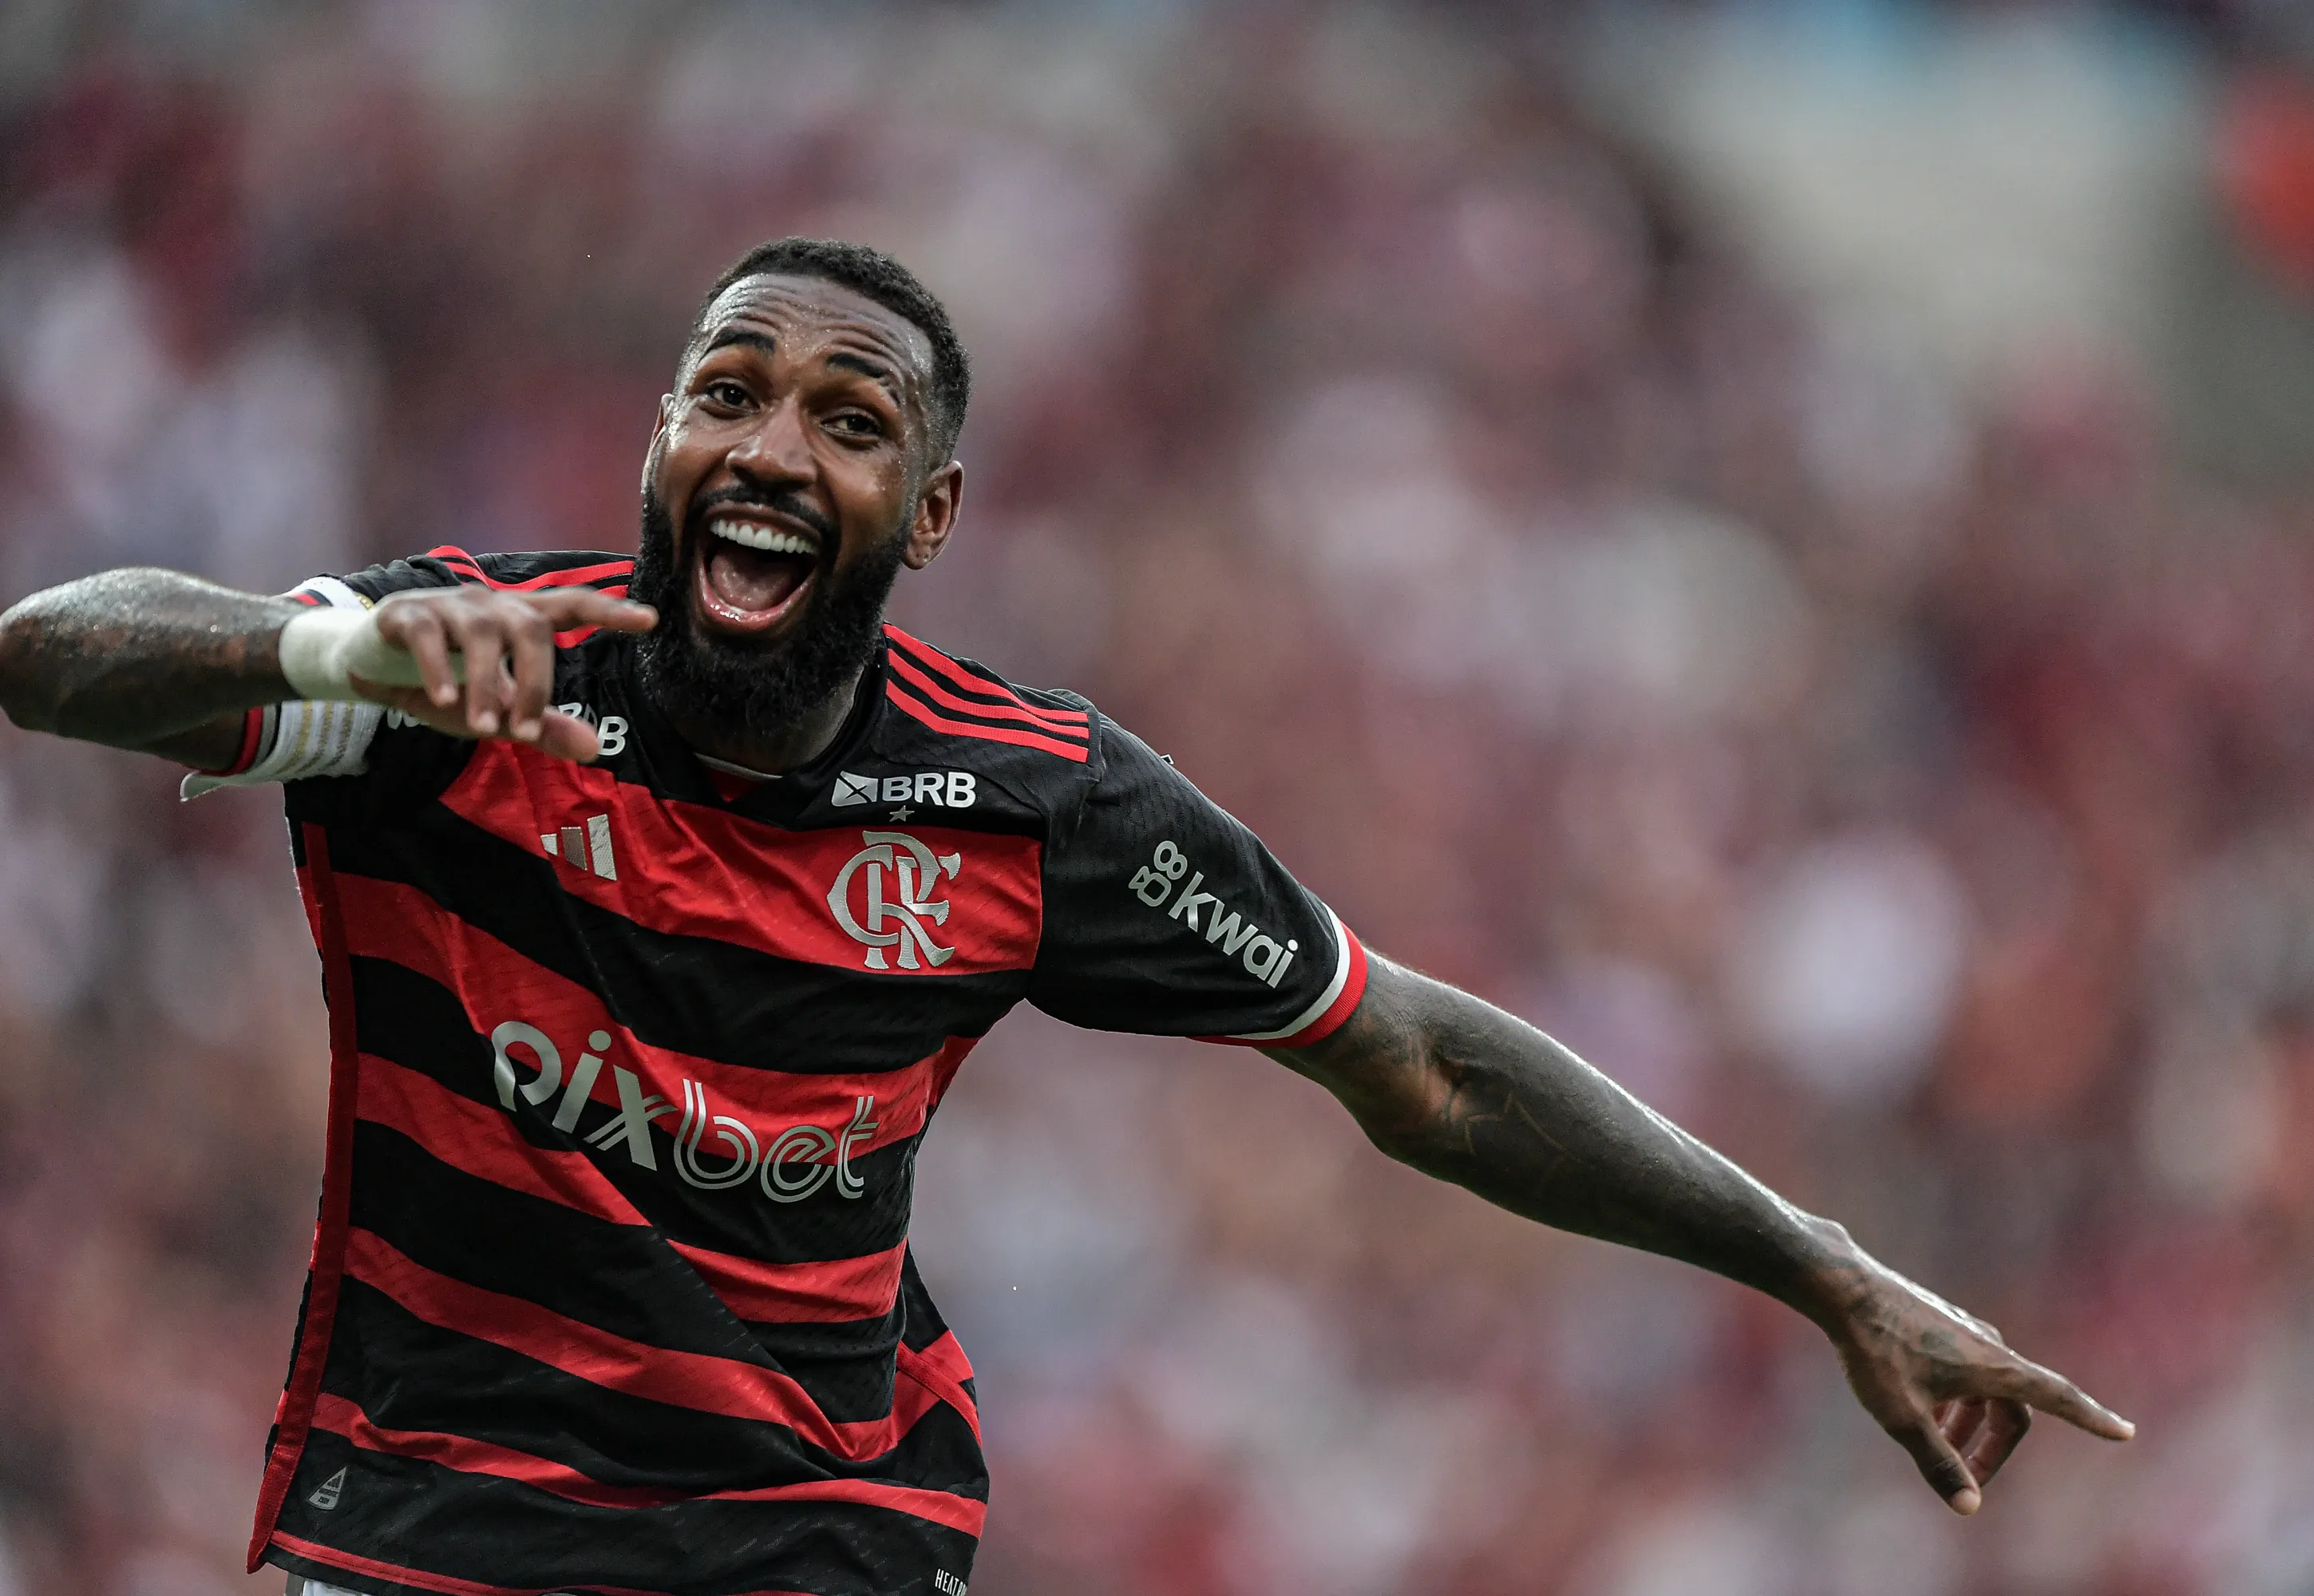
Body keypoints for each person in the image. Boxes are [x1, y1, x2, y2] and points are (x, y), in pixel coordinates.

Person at [0, 237, 2130, 1596]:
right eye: (725, 390)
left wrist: (1818, 1259)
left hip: (815, 1549)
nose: (766, 443)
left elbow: (1421, 1064)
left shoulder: (1038, 802)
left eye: (849, 421)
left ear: (926, 516)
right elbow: (56, 649)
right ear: (658, 439)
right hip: (430, 1530)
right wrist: (326, 662)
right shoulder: (459, 676)